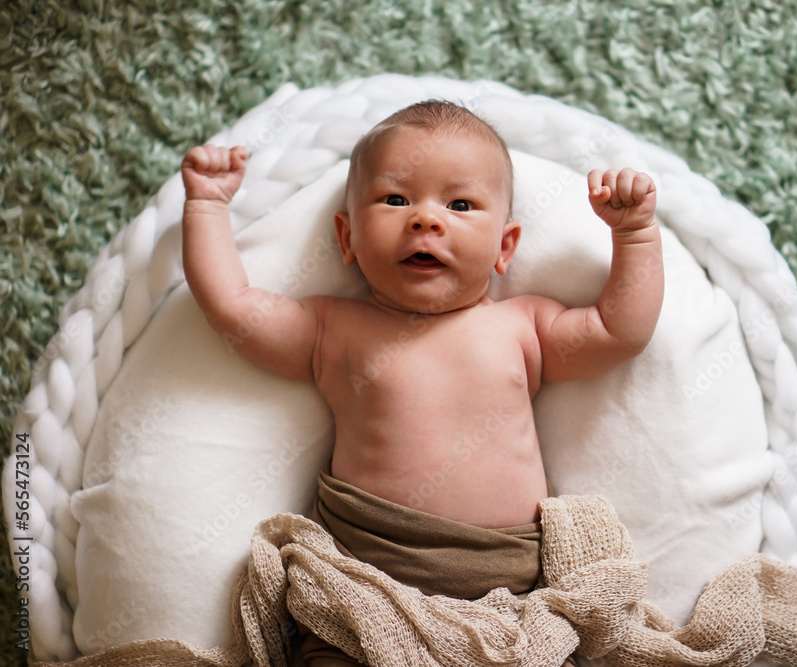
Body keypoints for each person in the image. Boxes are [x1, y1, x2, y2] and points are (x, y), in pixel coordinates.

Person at [181, 100, 664, 666]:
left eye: (460, 204)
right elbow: (233, 308)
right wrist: (207, 206)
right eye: (395, 199)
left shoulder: (523, 325)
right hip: (364, 587)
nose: (425, 219)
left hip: (502, 596)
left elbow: (619, 331)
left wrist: (634, 236)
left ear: (505, 248)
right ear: (348, 238)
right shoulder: (333, 329)